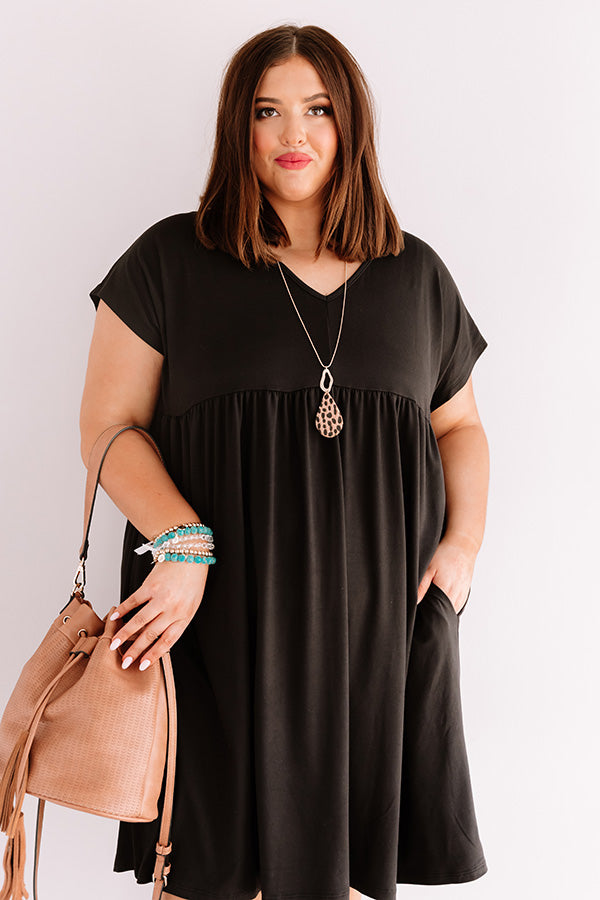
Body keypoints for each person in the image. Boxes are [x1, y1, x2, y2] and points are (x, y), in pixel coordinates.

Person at [80, 23, 490, 900]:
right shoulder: (170, 261)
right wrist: (181, 543)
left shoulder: (415, 275)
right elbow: (108, 429)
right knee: (206, 873)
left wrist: (460, 552)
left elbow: (460, 427)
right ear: (239, 125)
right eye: (267, 111)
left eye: (318, 110)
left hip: (378, 641)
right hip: (216, 624)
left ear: (350, 125)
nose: (293, 134)